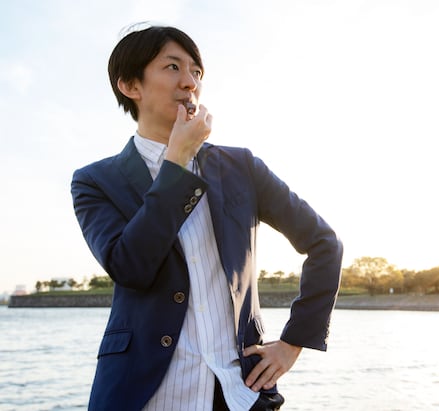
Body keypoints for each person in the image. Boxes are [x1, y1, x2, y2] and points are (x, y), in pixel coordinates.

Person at [71, 24, 343, 411]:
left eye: (196, 72)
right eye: (172, 67)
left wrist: (293, 342)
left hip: (238, 392)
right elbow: (131, 267)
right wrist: (177, 162)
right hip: (140, 394)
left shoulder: (241, 167)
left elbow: (324, 244)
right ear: (131, 85)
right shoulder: (95, 181)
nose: (190, 82)